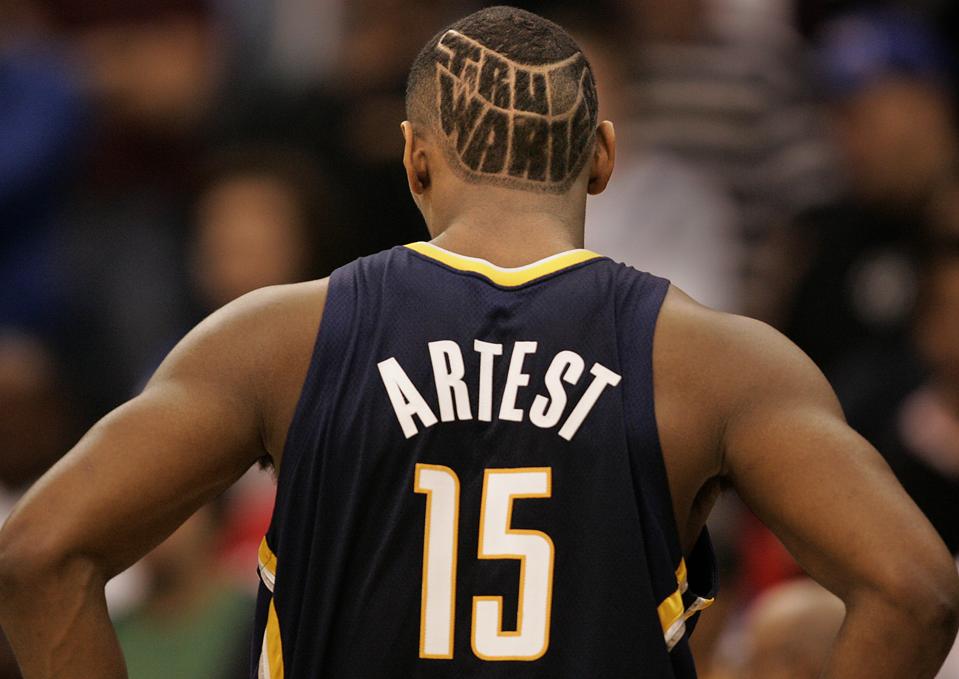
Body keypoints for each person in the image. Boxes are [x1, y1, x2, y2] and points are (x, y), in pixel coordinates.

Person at [0, 6, 957, 678]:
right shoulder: (715, 362)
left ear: (415, 155)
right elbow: (914, 588)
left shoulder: (278, 338)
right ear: (603, 158)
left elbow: (38, 552)